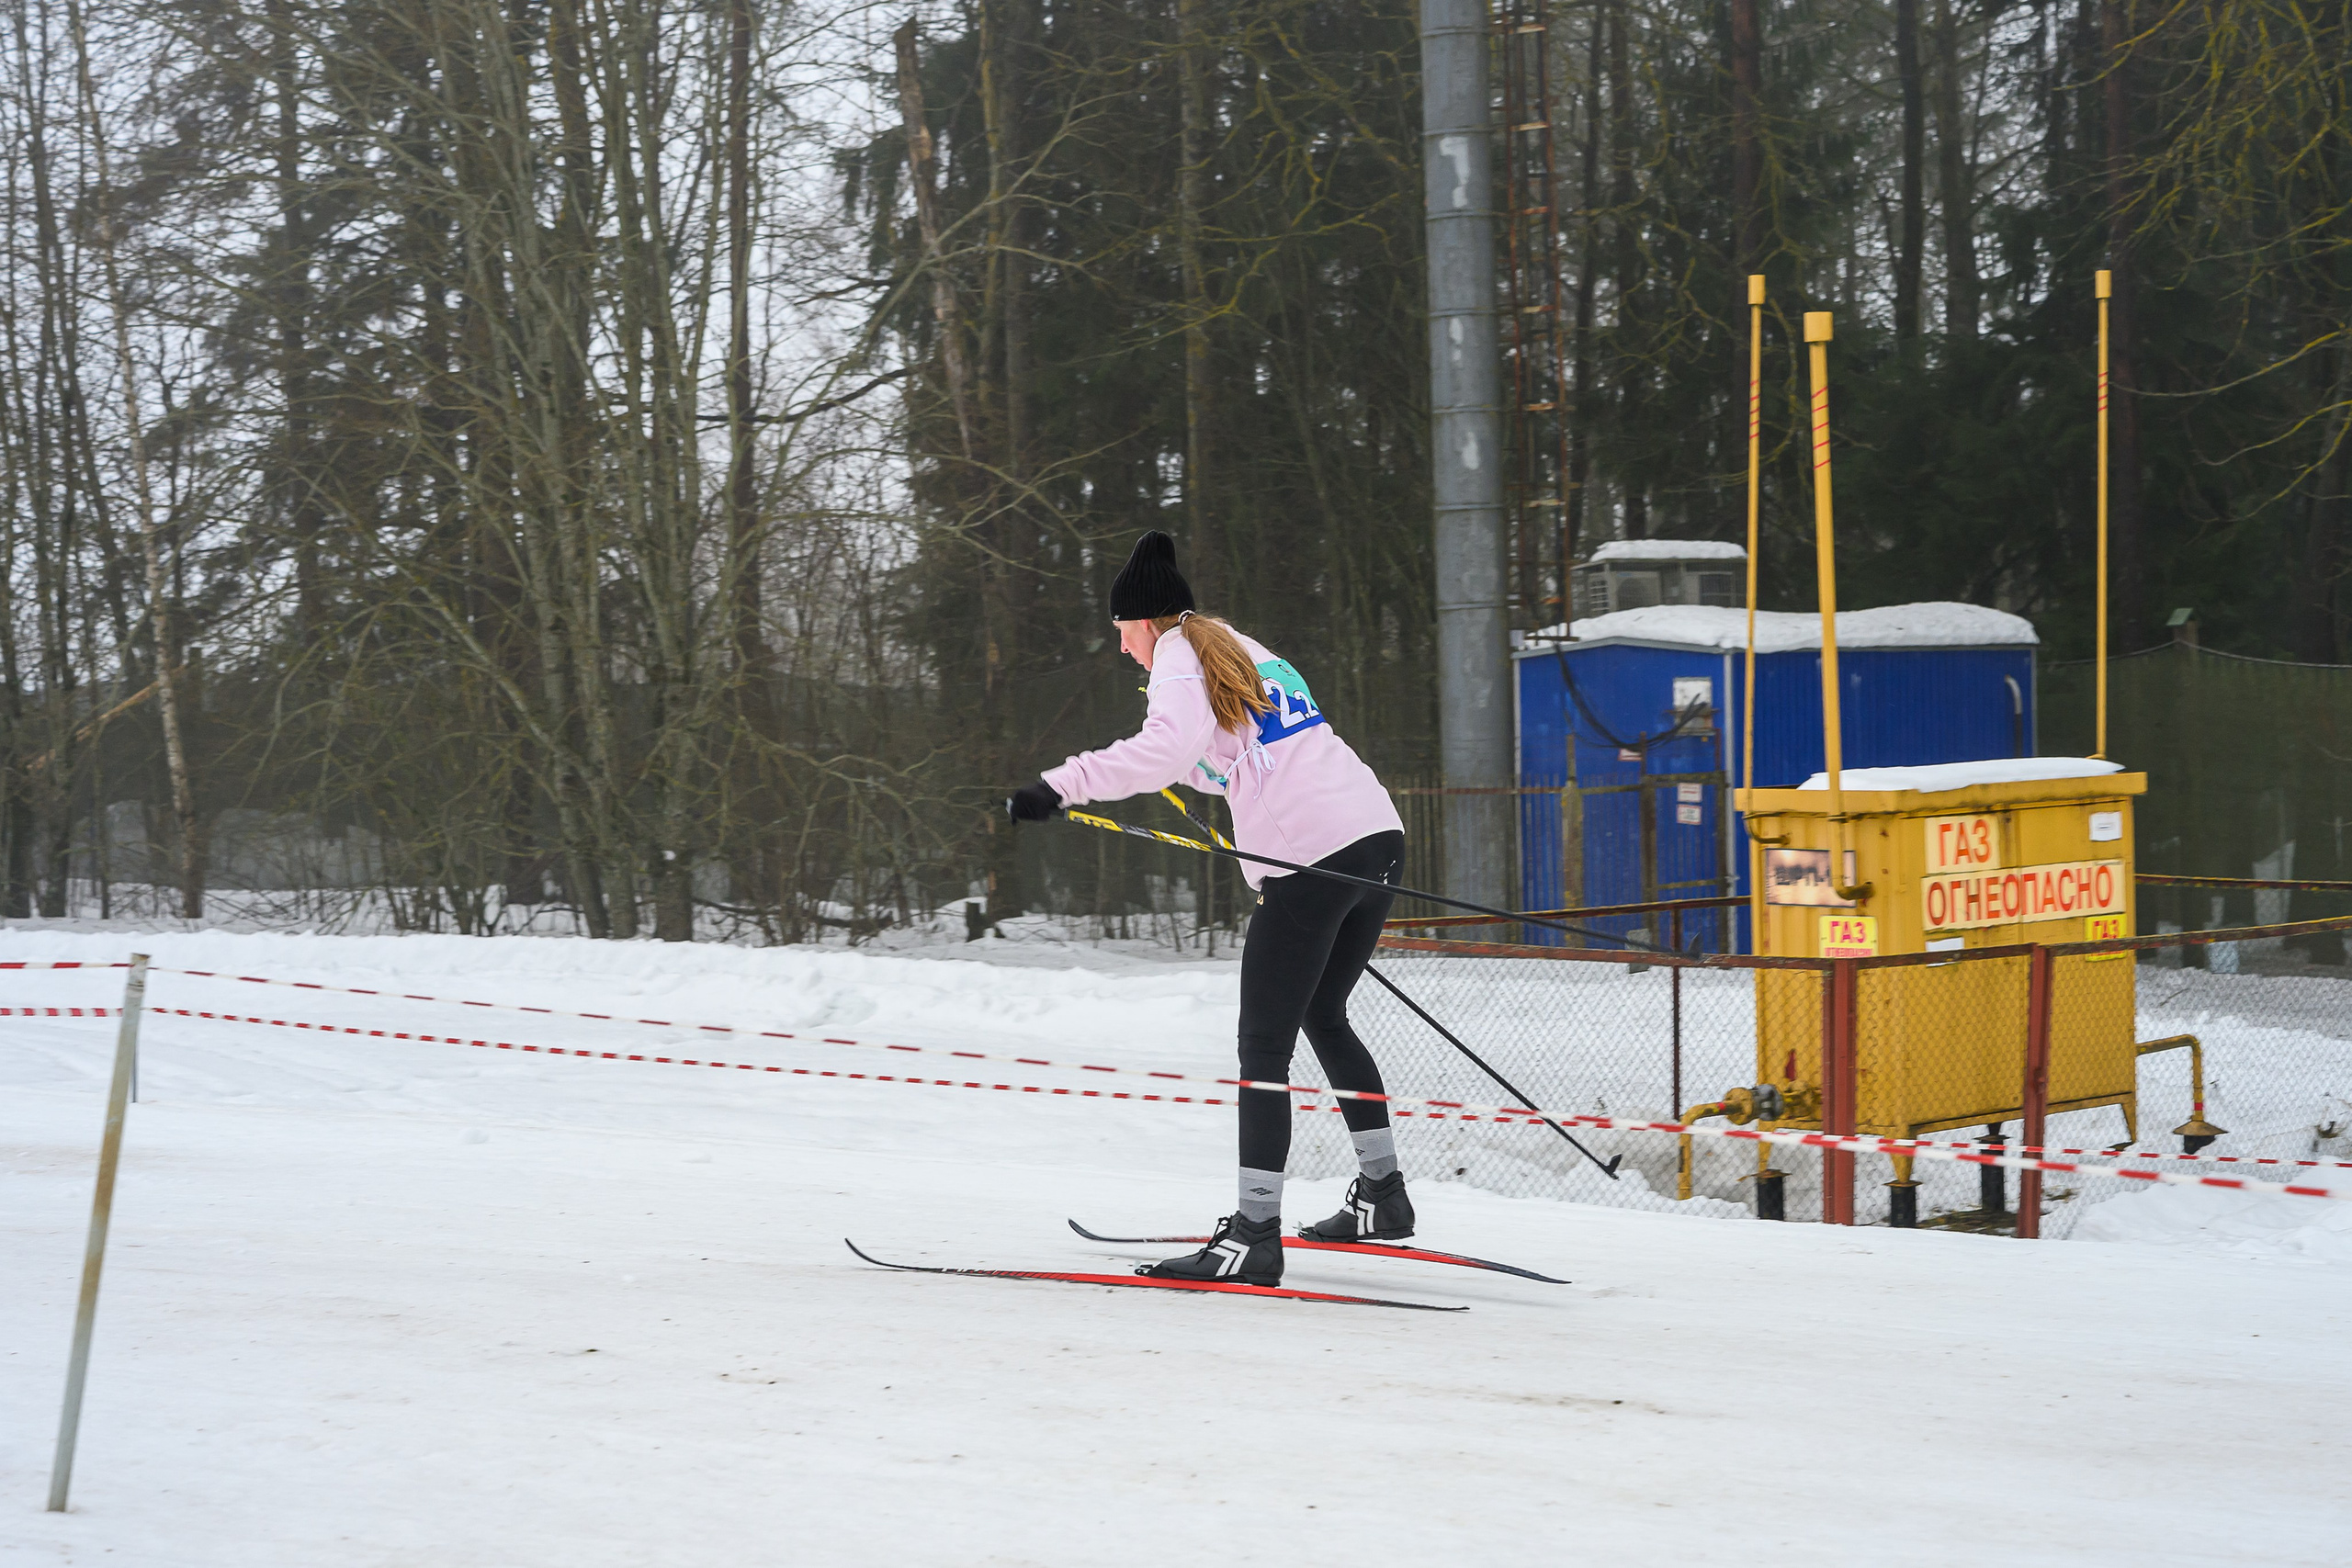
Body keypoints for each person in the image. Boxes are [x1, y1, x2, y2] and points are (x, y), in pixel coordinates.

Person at [1005, 530, 1412, 1287]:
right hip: (1375, 837)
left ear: (1147, 621)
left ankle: (1254, 1235)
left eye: (1124, 633)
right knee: (1324, 1016)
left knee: (1264, 1047)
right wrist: (1178, 772)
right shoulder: (1233, 643)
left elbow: (1161, 748)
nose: (1126, 650)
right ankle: (1383, 1196)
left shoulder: (1181, 656)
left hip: (1312, 857)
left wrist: (1058, 785)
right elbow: (1237, 754)